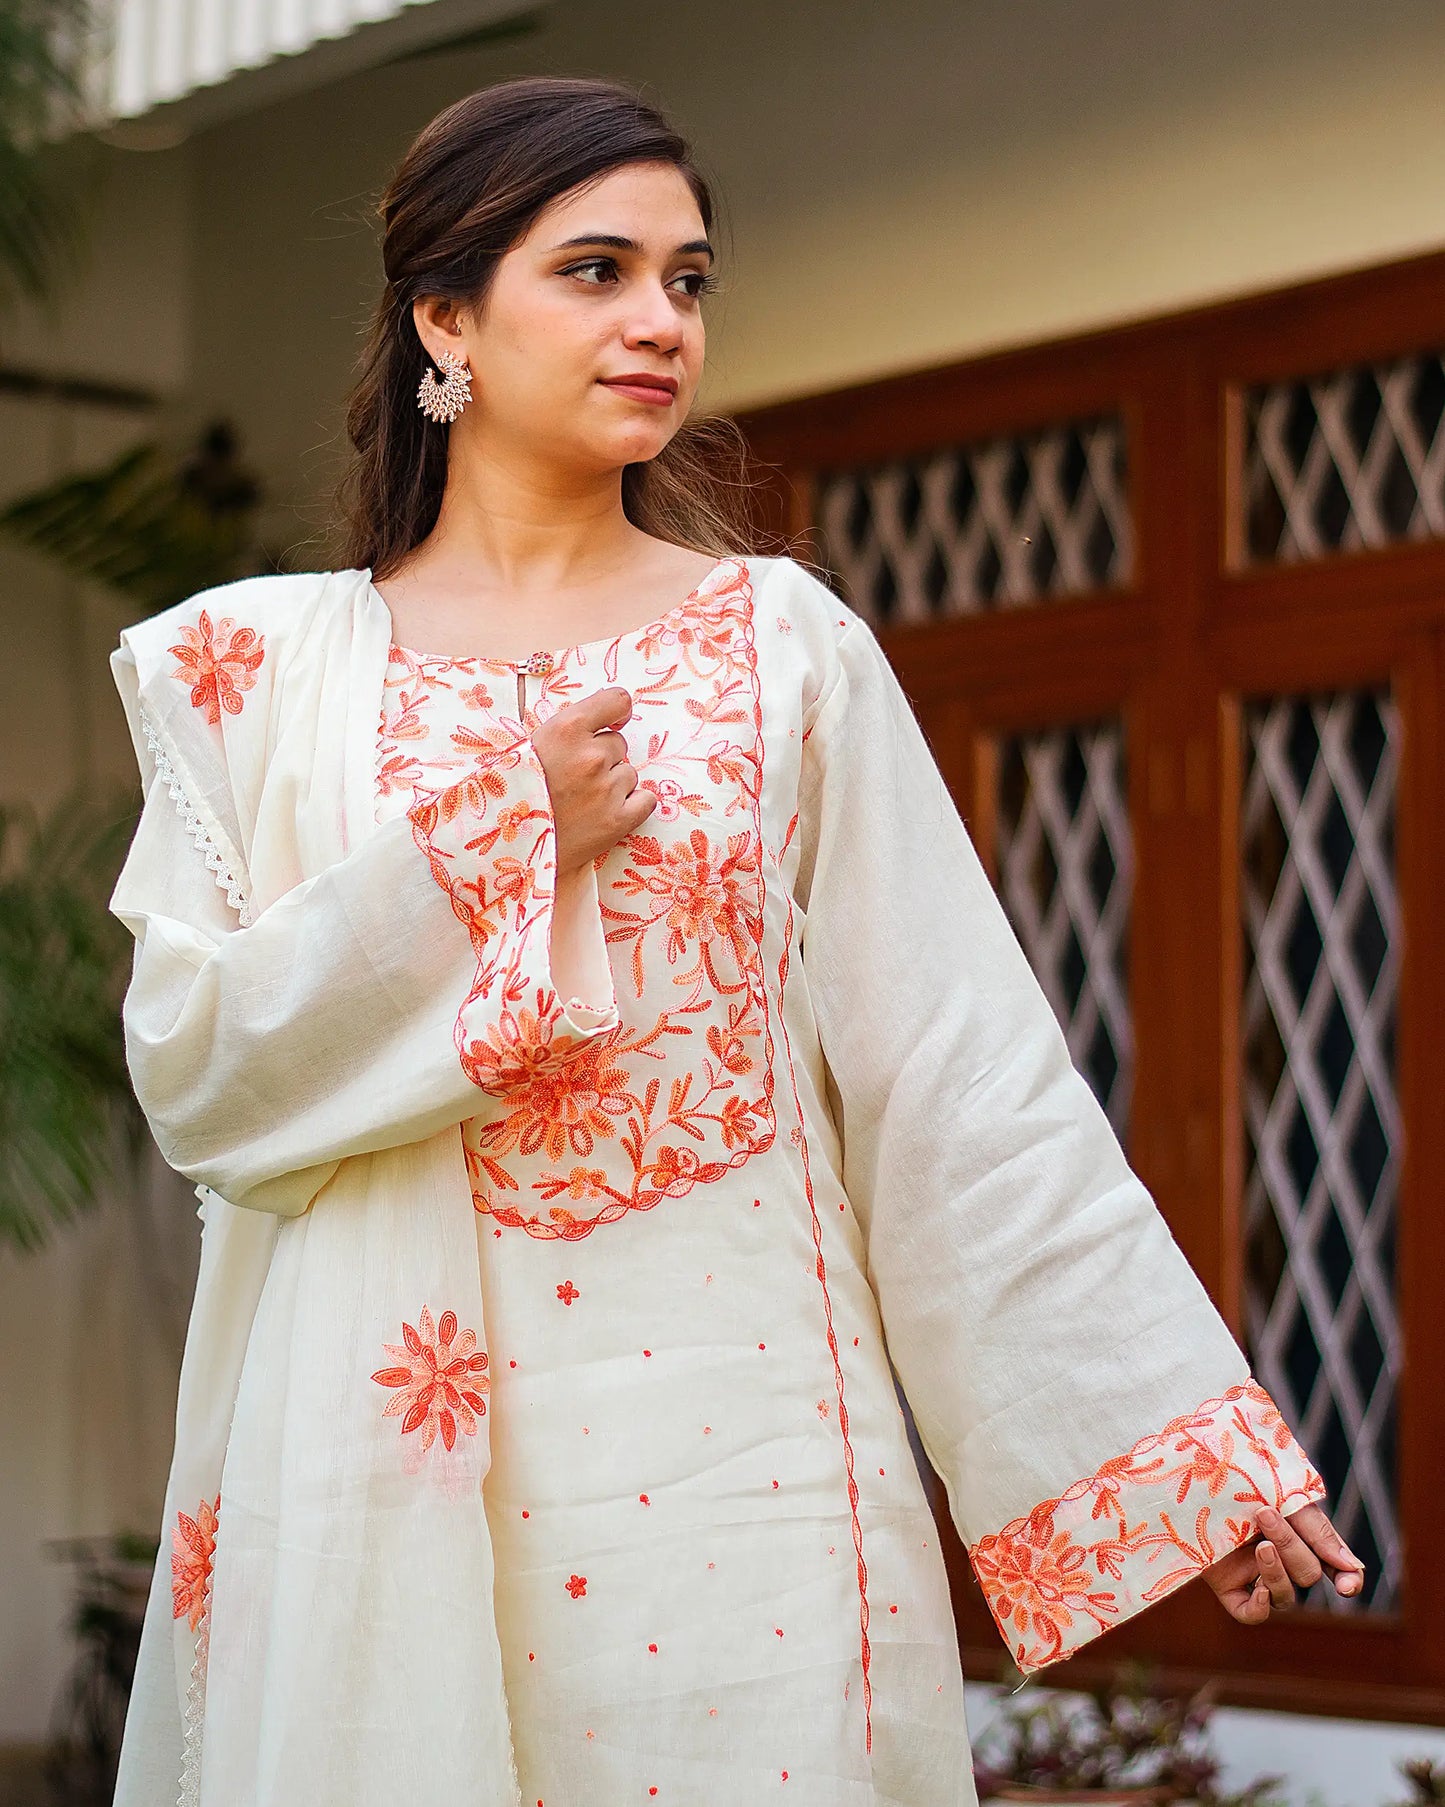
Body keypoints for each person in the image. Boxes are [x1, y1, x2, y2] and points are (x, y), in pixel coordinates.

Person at [107, 74, 1364, 1807]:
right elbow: (199, 1070)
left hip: (747, 1465)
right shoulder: (255, 675)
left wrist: (1176, 1448)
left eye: (688, 281)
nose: (659, 324)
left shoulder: (783, 649)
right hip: (384, 1466)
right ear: (446, 316)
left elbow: (952, 1065)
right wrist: (496, 841)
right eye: (598, 272)